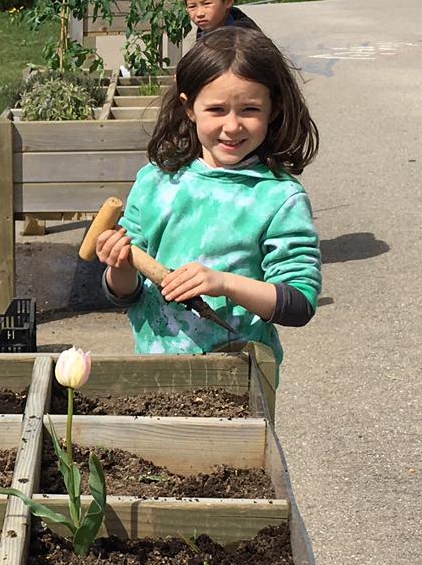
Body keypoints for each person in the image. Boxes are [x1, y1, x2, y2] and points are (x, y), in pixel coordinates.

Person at [92, 25, 320, 360]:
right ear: (189, 107)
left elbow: (299, 304)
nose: (232, 126)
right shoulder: (155, 182)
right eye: (216, 110)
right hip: (153, 371)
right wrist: (120, 267)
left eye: (250, 109)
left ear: (273, 109)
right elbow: (125, 294)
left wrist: (223, 283)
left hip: (238, 374)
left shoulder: (278, 198)